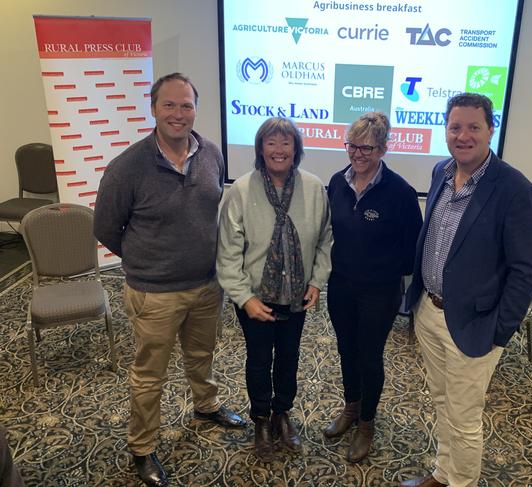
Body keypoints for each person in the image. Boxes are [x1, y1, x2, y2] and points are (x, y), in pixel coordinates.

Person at [94, 73, 246, 487]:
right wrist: (149, 260)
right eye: (170, 105)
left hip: (205, 284)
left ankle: (206, 405)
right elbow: (106, 228)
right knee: (150, 376)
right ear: (153, 107)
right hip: (154, 292)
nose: (179, 114)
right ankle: (142, 447)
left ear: (196, 109)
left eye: (186, 105)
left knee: (202, 356)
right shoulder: (127, 168)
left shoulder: (212, 153)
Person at [400, 93, 532, 487]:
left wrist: (500, 331)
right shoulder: (441, 172)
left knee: (464, 418)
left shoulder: (514, 189)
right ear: (445, 131)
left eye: (473, 127)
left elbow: (525, 271)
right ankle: (444, 474)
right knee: (442, 402)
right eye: (455, 127)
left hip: (474, 323)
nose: (463, 136)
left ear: (490, 130)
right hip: (429, 311)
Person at [217, 117, 333, 461]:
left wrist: (316, 281)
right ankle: (261, 421)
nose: (278, 150)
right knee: (257, 361)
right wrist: (245, 298)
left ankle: (283, 414)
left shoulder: (314, 188)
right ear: (260, 148)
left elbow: (326, 240)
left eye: (286, 143)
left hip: (296, 296)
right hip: (254, 298)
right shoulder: (241, 189)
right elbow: (227, 252)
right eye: (271, 143)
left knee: (288, 359)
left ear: (296, 149)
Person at [324, 112, 422, 462]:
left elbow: (414, 249)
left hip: (379, 292)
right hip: (341, 287)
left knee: (369, 356)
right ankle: (351, 407)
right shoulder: (337, 182)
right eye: (353, 146)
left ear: (383, 148)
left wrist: (385, 270)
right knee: (346, 351)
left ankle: (367, 423)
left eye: (366, 147)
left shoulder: (400, 192)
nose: (358, 154)